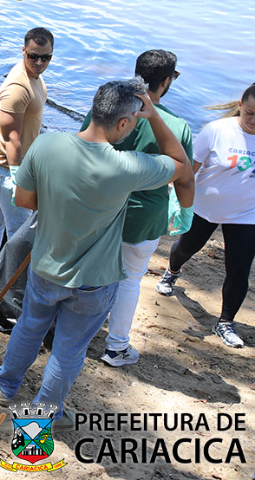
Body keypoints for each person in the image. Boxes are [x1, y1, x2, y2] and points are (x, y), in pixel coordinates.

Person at [0, 79, 193, 430]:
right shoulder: (127, 166)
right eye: (134, 119)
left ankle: (6, 387)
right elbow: (180, 164)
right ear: (124, 123)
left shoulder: (47, 145)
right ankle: (42, 415)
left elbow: (22, 200)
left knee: (29, 326)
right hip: (94, 281)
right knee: (68, 349)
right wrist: (155, 116)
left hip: (44, 266)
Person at [77, 52, 193, 367]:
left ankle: (72, 333)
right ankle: (116, 347)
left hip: (98, 210)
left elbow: (84, 149)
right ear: (167, 81)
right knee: (128, 281)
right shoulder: (176, 126)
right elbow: (184, 179)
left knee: (89, 273)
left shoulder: (108, 110)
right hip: (143, 219)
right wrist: (186, 210)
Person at [157, 81, 255, 348]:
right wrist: (178, 201)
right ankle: (173, 270)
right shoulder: (216, 131)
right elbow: (190, 169)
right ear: (240, 107)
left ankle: (225, 322)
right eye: (250, 113)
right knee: (185, 249)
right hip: (205, 208)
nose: (254, 120)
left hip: (246, 215)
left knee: (239, 270)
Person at [0, 27, 54, 286]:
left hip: (3, 163)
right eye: (33, 56)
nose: (39, 62)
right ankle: (9, 288)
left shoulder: (35, 78)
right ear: (23, 51)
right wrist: (17, 176)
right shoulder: (17, 88)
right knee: (20, 232)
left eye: (46, 57)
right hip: (4, 166)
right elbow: (13, 138)